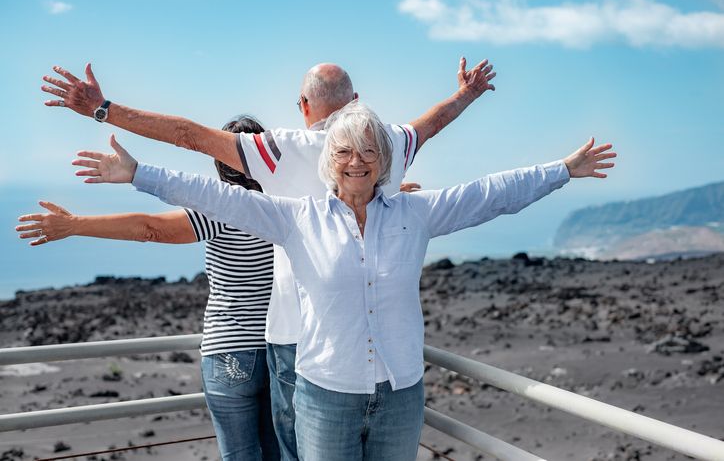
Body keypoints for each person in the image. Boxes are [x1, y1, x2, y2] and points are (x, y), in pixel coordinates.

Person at [67, 100, 616, 460]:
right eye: (346, 151)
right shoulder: (297, 217)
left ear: (384, 162)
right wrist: (137, 174)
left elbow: (491, 194)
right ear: (331, 160)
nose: (358, 161)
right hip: (325, 396)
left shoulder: (414, 213)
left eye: (370, 151)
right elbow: (215, 195)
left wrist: (563, 170)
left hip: (401, 395)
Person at [41, 58, 495, 460]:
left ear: (303, 105)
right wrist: (467, 94)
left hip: (289, 339)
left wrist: (104, 111)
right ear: (356, 101)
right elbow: (432, 125)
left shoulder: (276, 154)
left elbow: (188, 137)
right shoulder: (386, 146)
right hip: (380, 354)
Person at [17, 116, 281, 460]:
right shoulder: (285, 208)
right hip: (281, 352)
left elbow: (150, 229)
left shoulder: (222, 207)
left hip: (229, 351)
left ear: (221, 161)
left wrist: (74, 225)